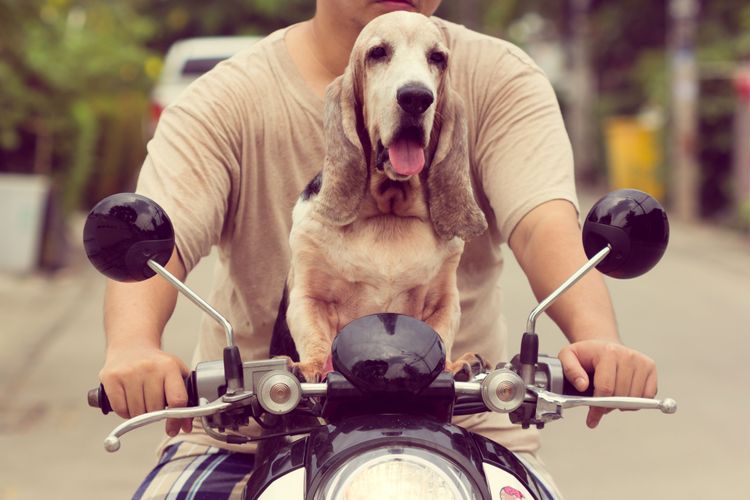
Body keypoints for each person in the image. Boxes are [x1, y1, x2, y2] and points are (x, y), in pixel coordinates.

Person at [99, 0, 658, 498]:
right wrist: (133, 346)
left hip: (473, 427)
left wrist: (598, 338)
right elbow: (154, 236)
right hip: (246, 434)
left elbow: (542, 225)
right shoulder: (227, 97)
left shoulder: (500, 79)